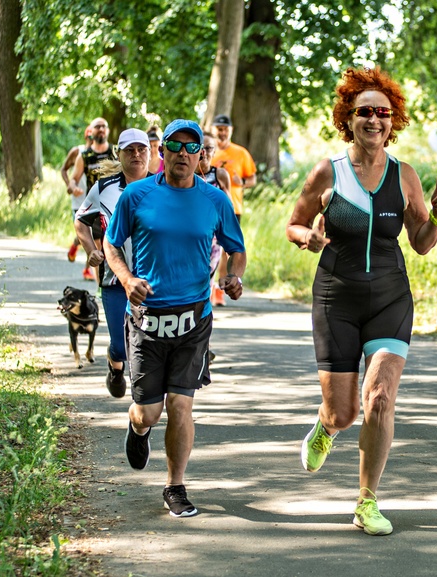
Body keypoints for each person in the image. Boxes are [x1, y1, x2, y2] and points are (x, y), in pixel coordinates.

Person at [286, 67, 437, 536]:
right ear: (349, 118)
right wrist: (309, 240)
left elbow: (420, 242)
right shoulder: (328, 171)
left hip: (389, 297)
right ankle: (325, 426)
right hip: (336, 298)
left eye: (383, 112)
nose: (374, 120)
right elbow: (294, 223)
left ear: (392, 120)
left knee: (379, 398)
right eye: (365, 112)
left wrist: (436, 218)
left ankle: (367, 501)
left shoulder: (405, 176)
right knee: (345, 412)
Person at [103, 119, 246, 518]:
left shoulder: (215, 200)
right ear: (161, 151)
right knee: (149, 411)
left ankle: (175, 485)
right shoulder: (136, 196)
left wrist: (234, 277)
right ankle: (138, 427)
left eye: (191, 147)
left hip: (194, 319)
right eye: (174, 146)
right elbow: (111, 243)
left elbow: (237, 249)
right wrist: (127, 278)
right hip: (148, 319)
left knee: (181, 405)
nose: (182, 153)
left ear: (201, 155)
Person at [74, 128, 152, 399]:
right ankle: (115, 367)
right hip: (114, 280)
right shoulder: (103, 188)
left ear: (150, 153)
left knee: (148, 344)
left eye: (142, 149)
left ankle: (145, 400)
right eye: (129, 150)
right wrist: (90, 251)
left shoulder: (163, 186)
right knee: (121, 345)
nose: (136, 154)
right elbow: (81, 220)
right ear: (119, 154)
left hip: (154, 281)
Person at [210, 114, 256, 306]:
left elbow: (252, 179)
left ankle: (221, 289)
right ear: (213, 130)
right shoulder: (207, 151)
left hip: (233, 207)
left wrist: (242, 183)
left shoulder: (240, 153)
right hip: (210, 208)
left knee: (227, 250)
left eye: (225, 129)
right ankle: (213, 289)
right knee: (213, 250)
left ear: (231, 131)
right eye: (219, 129)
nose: (222, 133)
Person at [69, 117, 118, 281]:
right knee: (98, 247)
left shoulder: (115, 152)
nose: (101, 129)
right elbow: (74, 177)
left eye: (104, 126)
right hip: (96, 207)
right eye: (98, 127)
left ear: (108, 131)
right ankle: (100, 285)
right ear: (91, 131)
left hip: (115, 205)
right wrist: (73, 187)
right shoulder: (85, 155)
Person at [197, 131, 232, 339]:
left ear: (214, 150)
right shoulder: (187, 174)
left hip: (213, 241)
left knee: (204, 284)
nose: (204, 152)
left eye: (209, 148)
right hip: (189, 238)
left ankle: (201, 336)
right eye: (200, 147)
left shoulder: (219, 175)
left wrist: (230, 239)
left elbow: (227, 207)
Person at [61, 125, 94, 279]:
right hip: (78, 201)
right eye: (90, 137)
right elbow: (63, 169)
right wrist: (70, 185)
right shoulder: (77, 152)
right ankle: (75, 245)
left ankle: (87, 270)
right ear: (86, 137)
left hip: (93, 201)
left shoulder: (100, 155)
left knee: (94, 238)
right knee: (83, 234)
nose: (92, 141)